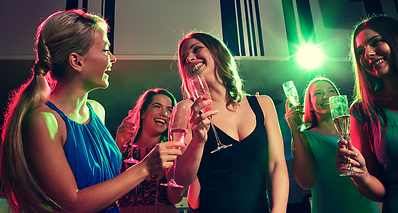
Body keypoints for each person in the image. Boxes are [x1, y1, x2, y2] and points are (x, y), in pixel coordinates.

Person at [0, 10, 183, 213]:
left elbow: (106, 185)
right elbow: (73, 204)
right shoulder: (43, 121)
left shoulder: (97, 110)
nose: (112, 59)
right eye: (105, 50)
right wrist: (145, 168)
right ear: (76, 61)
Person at [166, 32, 289, 213]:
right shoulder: (187, 110)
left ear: (218, 52)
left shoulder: (263, 104)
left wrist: (279, 211)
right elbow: (177, 189)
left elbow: (276, 165)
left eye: (196, 49)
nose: (190, 58)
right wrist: (198, 141)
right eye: (184, 59)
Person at [285, 77, 379, 213]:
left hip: (365, 208)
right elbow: (306, 182)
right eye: (317, 93)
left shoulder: (358, 128)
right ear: (310, 103)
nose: (325, 96)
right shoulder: (306, 136)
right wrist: (295, 130)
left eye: (331, 91)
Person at [336, 15, 398, 213]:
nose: (368, 54)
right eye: (360, 51)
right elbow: (378, 192)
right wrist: (360, 174)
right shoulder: (362, 110)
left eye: (376, 42)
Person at [115, 88, 179, 213]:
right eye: (157, 106)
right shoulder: (124, 150)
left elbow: (177, 195)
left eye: (169, 110)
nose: (164, 114)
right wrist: (118, 143)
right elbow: (104, 184)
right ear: (143, 112)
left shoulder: (172, 150)